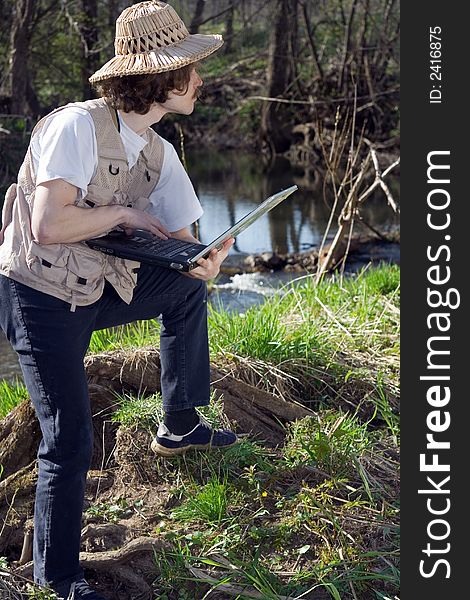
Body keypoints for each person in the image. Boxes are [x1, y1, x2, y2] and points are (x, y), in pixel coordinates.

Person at [0, 2, 238, 598]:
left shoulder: (161, 153)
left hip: (95, 292)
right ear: (163, 77)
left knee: (187, 288)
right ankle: (58, 581)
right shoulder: (74, 125)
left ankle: (181, 421)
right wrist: (128, 212)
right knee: (70, 438)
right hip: (38, 295)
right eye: (192, 68)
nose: (200, 79)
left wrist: (206, 261)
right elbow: (49, 224)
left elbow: (183, 247)